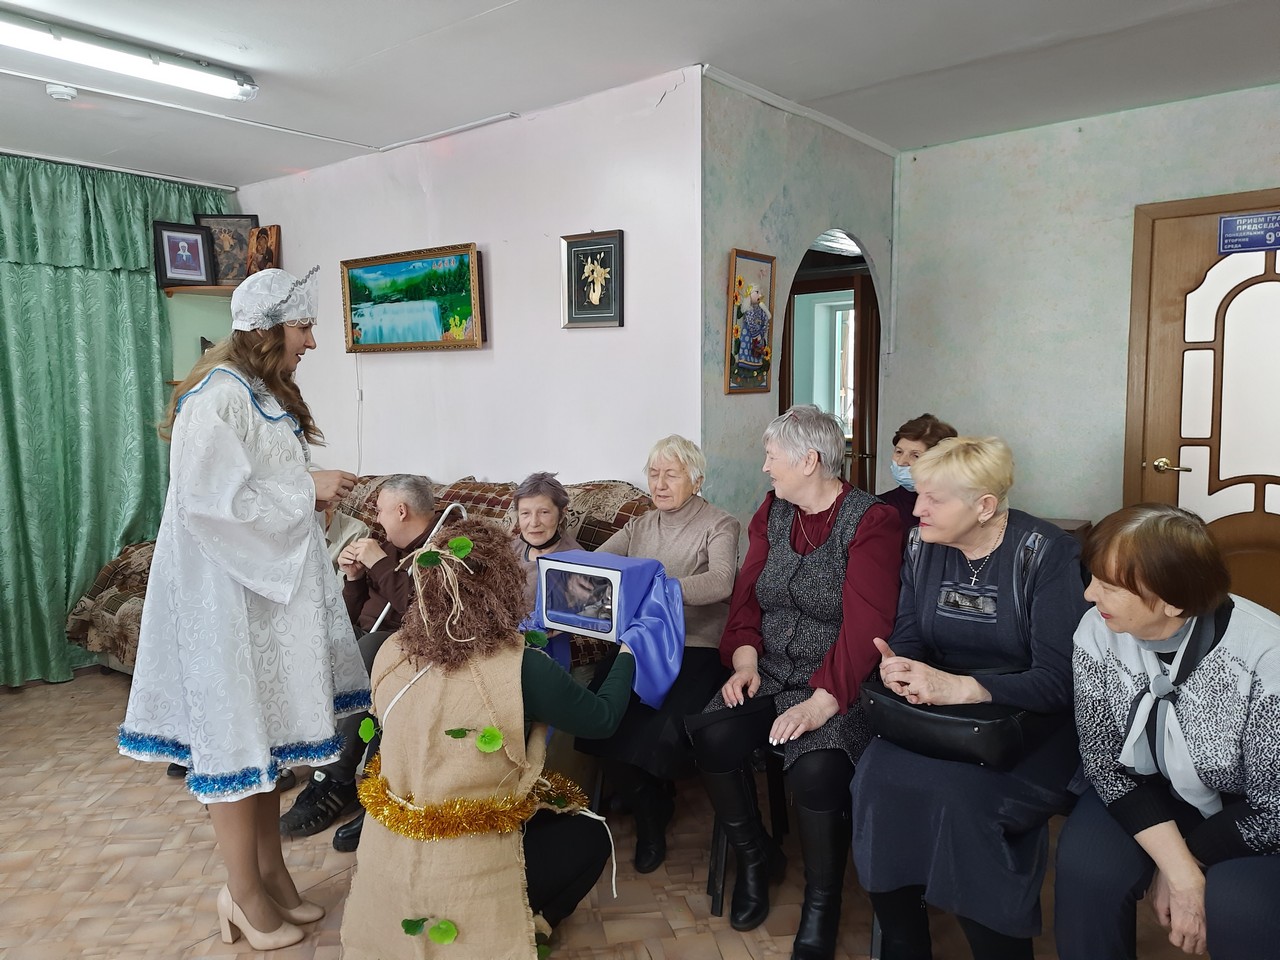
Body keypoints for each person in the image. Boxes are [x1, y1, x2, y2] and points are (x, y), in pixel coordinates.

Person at [117, 267, 369, 951]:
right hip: (224, 609)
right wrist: (307, 489)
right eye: (304, 327)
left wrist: (308, 499)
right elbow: (208, 504)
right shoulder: (219, 398)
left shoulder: (257, 392)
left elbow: (255, 486)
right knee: (234, 748)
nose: (312, 341)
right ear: (268, 329)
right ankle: (243, 894)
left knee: (263, 748)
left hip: (259, 604)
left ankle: (271, 876)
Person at [341, 517, 637, 959]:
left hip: (390, 860)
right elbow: (603, 719)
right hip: (468, 871)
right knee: (591, 835)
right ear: (504, 586)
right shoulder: (523, 668)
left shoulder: (390, 650)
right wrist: (629, 653)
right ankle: (528, 923)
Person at [850, 436, 1088, 960]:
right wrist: (899, 665)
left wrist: (965, 688)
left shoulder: (1045, 553)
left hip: (1027, 722)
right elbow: (910, 635)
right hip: (943, 716)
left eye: (934, 498)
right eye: (919, 494)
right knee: (873, 780)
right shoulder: (922, 546)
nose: (918, 509)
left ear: (984, 507)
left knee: (962, 801)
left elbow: (1059, 679)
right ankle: (904, 942)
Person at [687, 405, 901, 960]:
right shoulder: (774, 511)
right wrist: (745, 662)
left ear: (809, 460)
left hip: (838, 682)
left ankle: (821, 903)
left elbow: (867, 626)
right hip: (769, 670)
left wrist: (820, 704)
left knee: (816, 769)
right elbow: (747, 596)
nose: (765, 468)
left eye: (771, 456)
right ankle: (757, 857)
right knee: (712, 733)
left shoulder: (872, 521)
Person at [1055, 504, 1280, 960]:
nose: (1089, 595)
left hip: (1243, 811)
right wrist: (1178, 869)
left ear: (1172, 601)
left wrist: (1185, 861)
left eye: (1109, 586)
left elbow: (1274, 809)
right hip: (1141, 786)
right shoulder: (1098, 630)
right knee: (1087, 871)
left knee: (1242, 910)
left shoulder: (1265, 656)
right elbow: (1103, 760)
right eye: (1092, 577)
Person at [576, 435, 740, 874]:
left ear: (697, 480)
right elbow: (595, 566)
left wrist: (658, 588)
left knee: (661, 731)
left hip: (695, 646)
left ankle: (651, 816)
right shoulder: (640, 526)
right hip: (639, 644)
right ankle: (650, 803)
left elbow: (722, 581)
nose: (659, 483)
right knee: (597, 717)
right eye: (653, 474)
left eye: (671, 474)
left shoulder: (720, 524)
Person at [281, 474, 440, 849]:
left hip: (412, 645)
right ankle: (283, 753)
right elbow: (350, 617)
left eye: (381, 511)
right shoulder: (388, 546)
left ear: (401, 511)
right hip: (369, 636)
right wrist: (353, 579)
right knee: (305, 641)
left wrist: (380, 564)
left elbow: (426, 610)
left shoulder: (442, 548)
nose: (377, 520)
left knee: (368, 650)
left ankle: (334, 779)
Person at [877, 413, 957, 545]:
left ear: (940, 461)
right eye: (899, 452)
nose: (901, 462)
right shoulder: (878, 506)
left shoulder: (956, 509)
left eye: (915, 456)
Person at [510, 471, 582, 615]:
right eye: (525, 513)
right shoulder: (511, 547)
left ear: (562, 514)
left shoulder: (575, 563)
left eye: (544, 512)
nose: (534, 523)